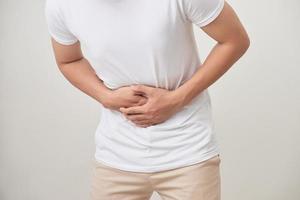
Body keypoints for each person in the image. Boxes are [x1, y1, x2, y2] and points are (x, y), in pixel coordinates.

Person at [45, 0, 250, 199]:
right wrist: (105, 96)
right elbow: (68, 60)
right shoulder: (61, 5)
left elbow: (235, 40)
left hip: (187, 150)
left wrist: (176, 100)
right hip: (117, 153)